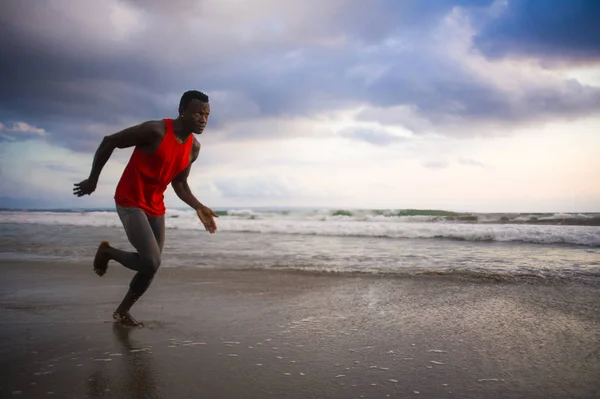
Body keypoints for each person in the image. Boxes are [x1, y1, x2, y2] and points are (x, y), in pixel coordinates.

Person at [73, 90, 219, 327]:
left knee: (151, 265)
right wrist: (92, 180)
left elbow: (179, 183)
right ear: (182, 112)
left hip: (155, 205)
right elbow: (109, 141)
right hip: (130, 199)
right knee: (152, 261)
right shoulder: (156, 131)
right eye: (197, 113)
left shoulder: (194, 148)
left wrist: (198, 206)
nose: (203, 119)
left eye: (206, 114)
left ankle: (122, 312)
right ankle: (107, 252)